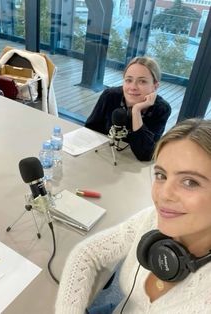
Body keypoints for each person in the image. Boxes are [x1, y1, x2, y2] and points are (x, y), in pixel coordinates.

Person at [55, 118, 211, 313]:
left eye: (190, 182)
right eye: (161, 175)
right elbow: (86, 254)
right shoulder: (154, 218)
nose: (163, 195)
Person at [85, 56, 171, 161]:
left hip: (133, 165)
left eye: (142, 81)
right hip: (103, 157)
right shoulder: (110, 96)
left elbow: (146, 154)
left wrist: (136, 111)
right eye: (128, 80)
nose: (133, 87)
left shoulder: (161, 109)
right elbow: (90, 130)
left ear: (155, 86)